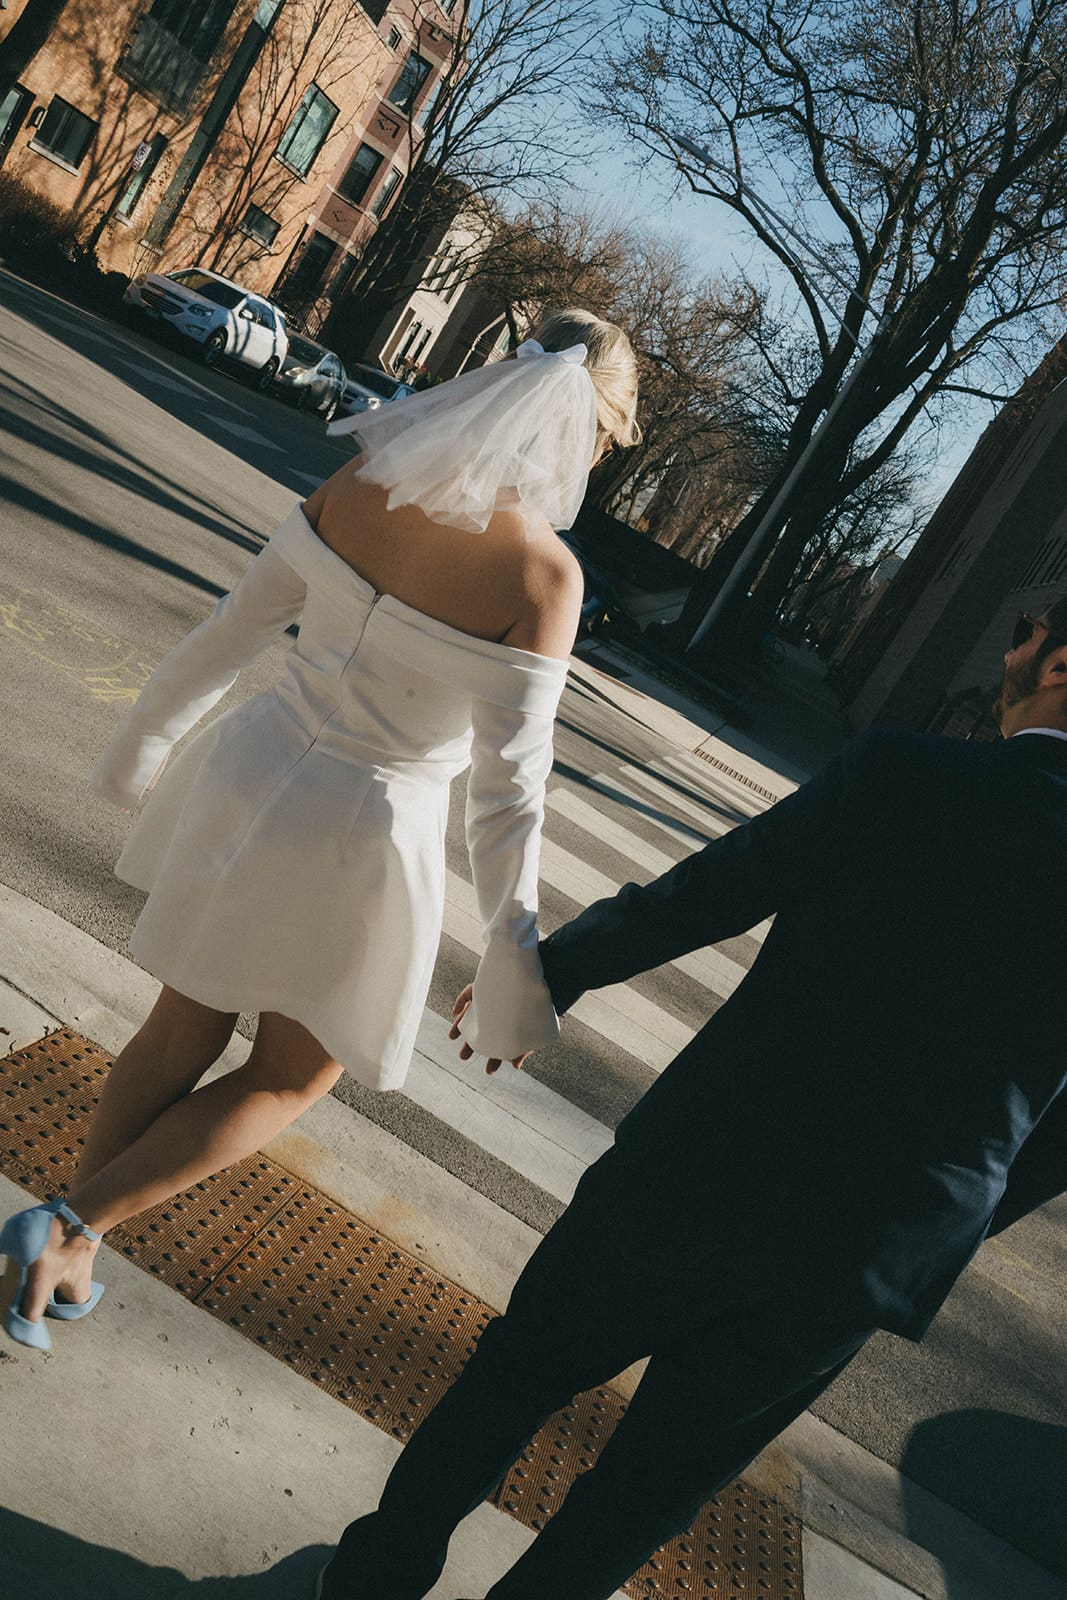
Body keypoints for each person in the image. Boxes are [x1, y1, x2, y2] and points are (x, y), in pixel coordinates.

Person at [317, 602, 1067, 1600]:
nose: (1008, 647)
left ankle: (374, 1579)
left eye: (1022, 631)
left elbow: (713, 890)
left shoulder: (905, 772)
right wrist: (946, 1217)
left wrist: (545, 975)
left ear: (1059, 660)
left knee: (511, 1380)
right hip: (869, 1243)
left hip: (707, 1160)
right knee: (648, 1488)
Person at [0, 309, 641, 1352]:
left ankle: (63, 1254)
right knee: (292, 1074)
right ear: (587, 432)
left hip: (251, 770)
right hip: (364, 830)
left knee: (178, 1029)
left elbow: (234, 624)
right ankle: (68, 1226)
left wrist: (145, 742)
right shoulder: (543, 577)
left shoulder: (369, 478)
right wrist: (514, 962)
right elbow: (508, 793)